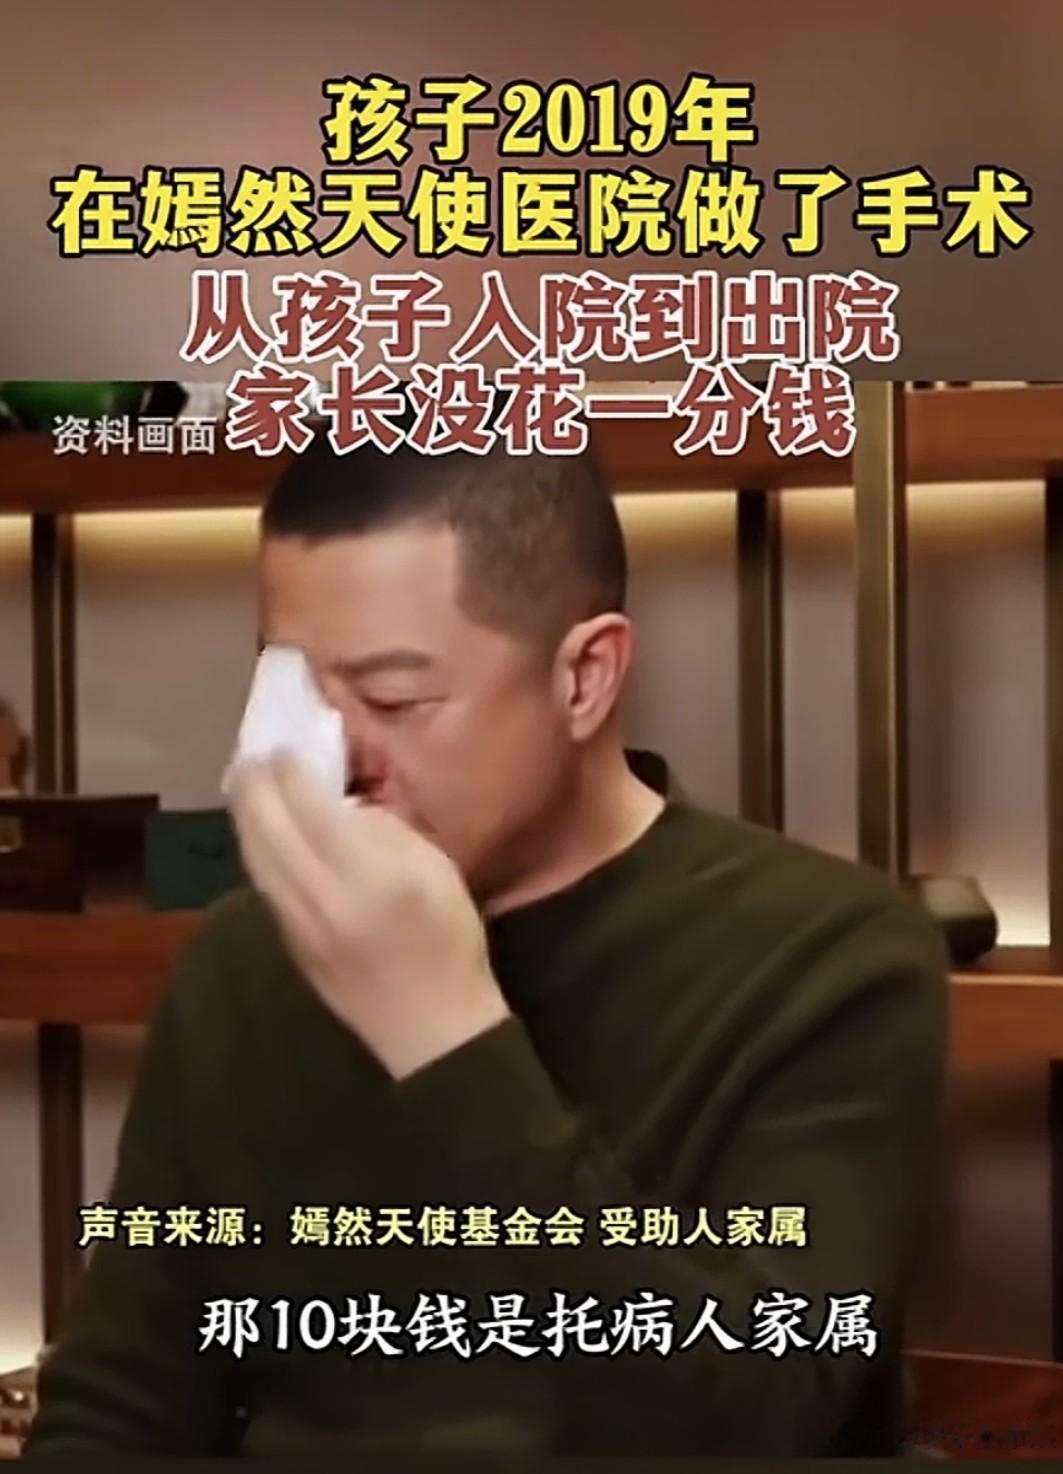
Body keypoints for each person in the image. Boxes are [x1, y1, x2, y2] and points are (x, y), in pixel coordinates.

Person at [25, 430, 947, 1458]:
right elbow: (116, 1408)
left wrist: (449, 1036)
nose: (335, 759)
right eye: (296, 693)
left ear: (585, 676)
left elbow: (755, 1423)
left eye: (393, 700)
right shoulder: (249, 957)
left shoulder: (834, 958)